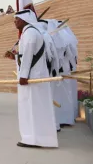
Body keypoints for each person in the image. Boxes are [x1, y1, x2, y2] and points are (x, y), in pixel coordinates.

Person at [9, 9, 58, 148]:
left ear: (24, 19)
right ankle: (34, 137)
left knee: (33, 107)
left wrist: (23, 75)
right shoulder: (29, 32)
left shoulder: (30, 32)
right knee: (33, 107)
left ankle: (34, 139)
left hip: (32, 78)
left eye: (16, 19)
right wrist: (15, 57)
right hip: (33, 75)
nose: (15, 21)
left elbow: (29, 54)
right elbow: (26, 56)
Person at [36, 20, 61, 132]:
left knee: (45, 100)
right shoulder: (48, 36)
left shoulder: (43, 37)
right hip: (50, 71)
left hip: (44, 73)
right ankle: (54, 125)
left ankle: (50, 126)